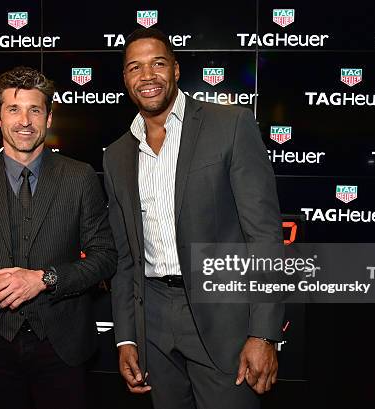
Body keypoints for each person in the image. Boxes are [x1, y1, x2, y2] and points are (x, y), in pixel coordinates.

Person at [103, 28, 284, 409]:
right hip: (151, 320)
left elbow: (264, 235)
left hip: (224, 320)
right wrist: (127, 338)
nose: (147, 76)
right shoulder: (116, 154)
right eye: (135, 67)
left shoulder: (229, 125)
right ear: (125, 79)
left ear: (176, 69)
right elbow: (124, 259)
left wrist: (264, 334)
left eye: (158, 63)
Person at [0, 66, 117, 409]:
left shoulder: (79, 177)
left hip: (62, 345)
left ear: (48, 118)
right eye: (13, 109)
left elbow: (104, 256)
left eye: (35, 109)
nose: (25, 121)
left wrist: (45, 279)